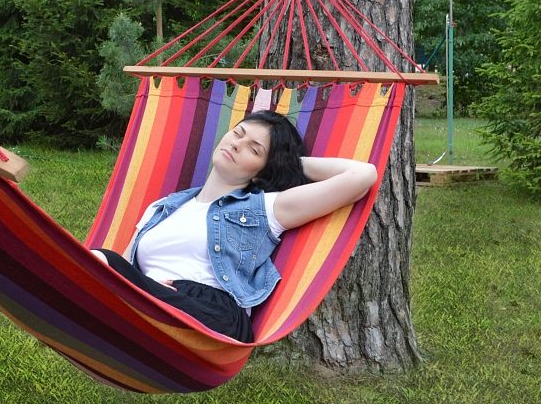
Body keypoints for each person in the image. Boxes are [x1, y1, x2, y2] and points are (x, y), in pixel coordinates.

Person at [93, 110, 378, 342]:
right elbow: (120, 269)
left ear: (263, 169)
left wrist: (289, 164)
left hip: (210, 314)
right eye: (238, 133)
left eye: (254, 149)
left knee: (100, 260)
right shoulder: (163, 206)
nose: (237, 144)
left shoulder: (263, 208)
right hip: (145, 304)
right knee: (99, 262)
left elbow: (362, 176)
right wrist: (143, 290)